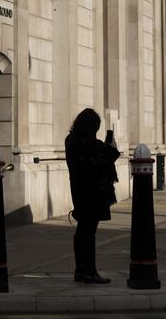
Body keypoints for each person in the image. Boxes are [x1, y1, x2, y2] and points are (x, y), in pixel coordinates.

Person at [65, 108, 120, 284]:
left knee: (82, 229)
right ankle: (90, 272)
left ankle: (80, 270)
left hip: (78, 190)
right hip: (93, 191)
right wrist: (111, 144)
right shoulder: (90, 144)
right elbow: (110, 155)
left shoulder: (71, 140)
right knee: (89, 231)